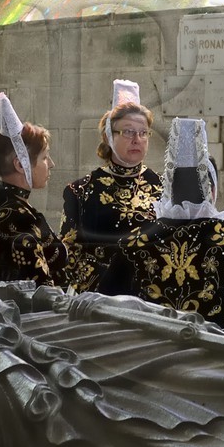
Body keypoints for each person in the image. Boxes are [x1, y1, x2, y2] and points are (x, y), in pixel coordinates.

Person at [100, 116, 224, 343]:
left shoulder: (134, 242)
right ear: (211, 189)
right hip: (223, 356)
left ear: (168, 185)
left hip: (149, 356)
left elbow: (107, 305)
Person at [60, 79, 161, 292]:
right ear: (108, 136)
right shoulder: (80, 191)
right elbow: (69, 253)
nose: (137, 139)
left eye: (143, 132)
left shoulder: (164, 187)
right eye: (128, 132)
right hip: (102, 298)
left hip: (154, 296)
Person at [0, 92, 67, 286]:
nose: (51, 164)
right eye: (44, 157)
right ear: (19, 165)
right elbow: (41, 292)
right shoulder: (16, 217)